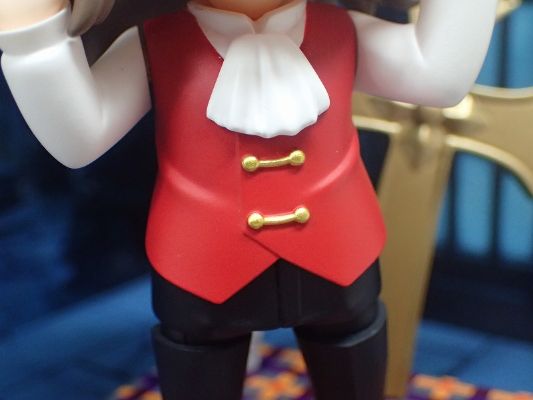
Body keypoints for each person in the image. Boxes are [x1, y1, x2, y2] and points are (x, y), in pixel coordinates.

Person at [0, 0, 498, 399]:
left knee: (353, 360)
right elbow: (80, 140)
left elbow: (438, 80)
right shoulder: (154, 44)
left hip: (341, 252)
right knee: (199, 363)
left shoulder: (342, 31)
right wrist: (32, 38)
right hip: (200, 262)